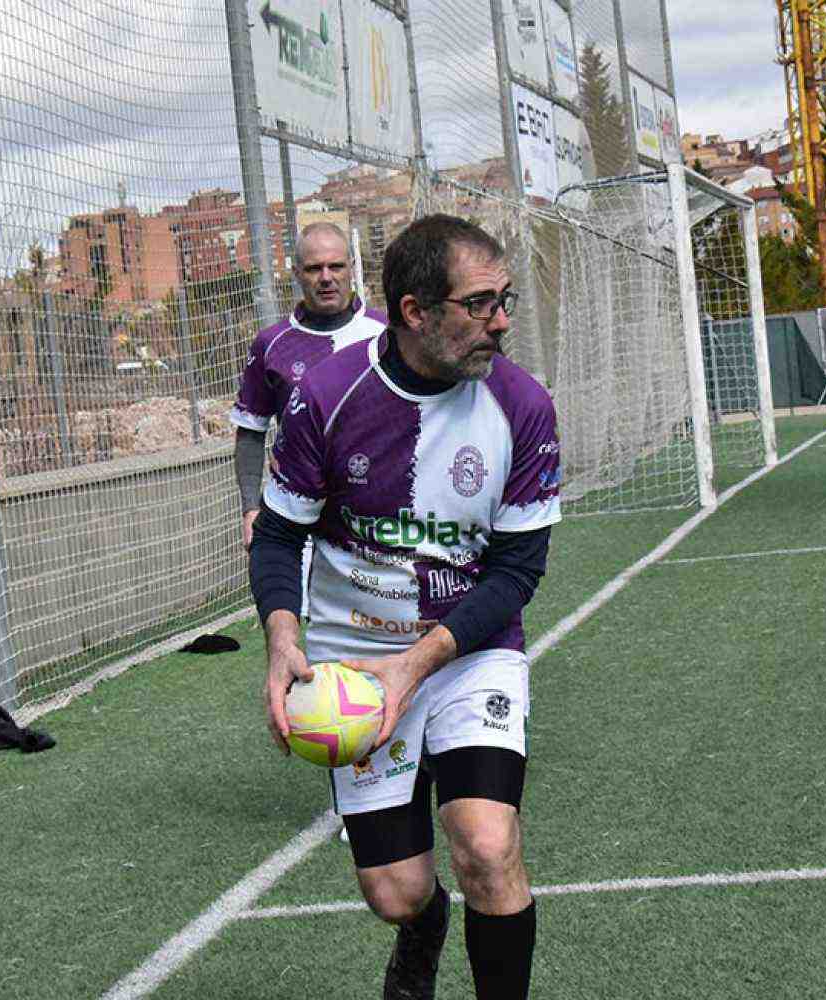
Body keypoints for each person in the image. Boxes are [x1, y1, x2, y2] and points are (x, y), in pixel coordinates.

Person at [249, 214, 560, 1000]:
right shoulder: (326, 393)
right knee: (395, 892)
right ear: (415, 311)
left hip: (466, 646)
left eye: (505, 299)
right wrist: (282, 642)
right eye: (480, 303)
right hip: (349, 657)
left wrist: (416, 667)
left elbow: (517, 571)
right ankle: (424, 926)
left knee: (487, 847)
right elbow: (277, 538)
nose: (502, 321)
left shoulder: (522, 406)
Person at [231, 222, 387, 552]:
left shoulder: (387, 335)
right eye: (315, 268)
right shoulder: (271, 345)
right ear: (297, 273)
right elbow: (250, 432)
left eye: (336, 266)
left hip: (379, 513)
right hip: (296, 517)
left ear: (352, 268)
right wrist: (250, 508)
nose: (326, 277)